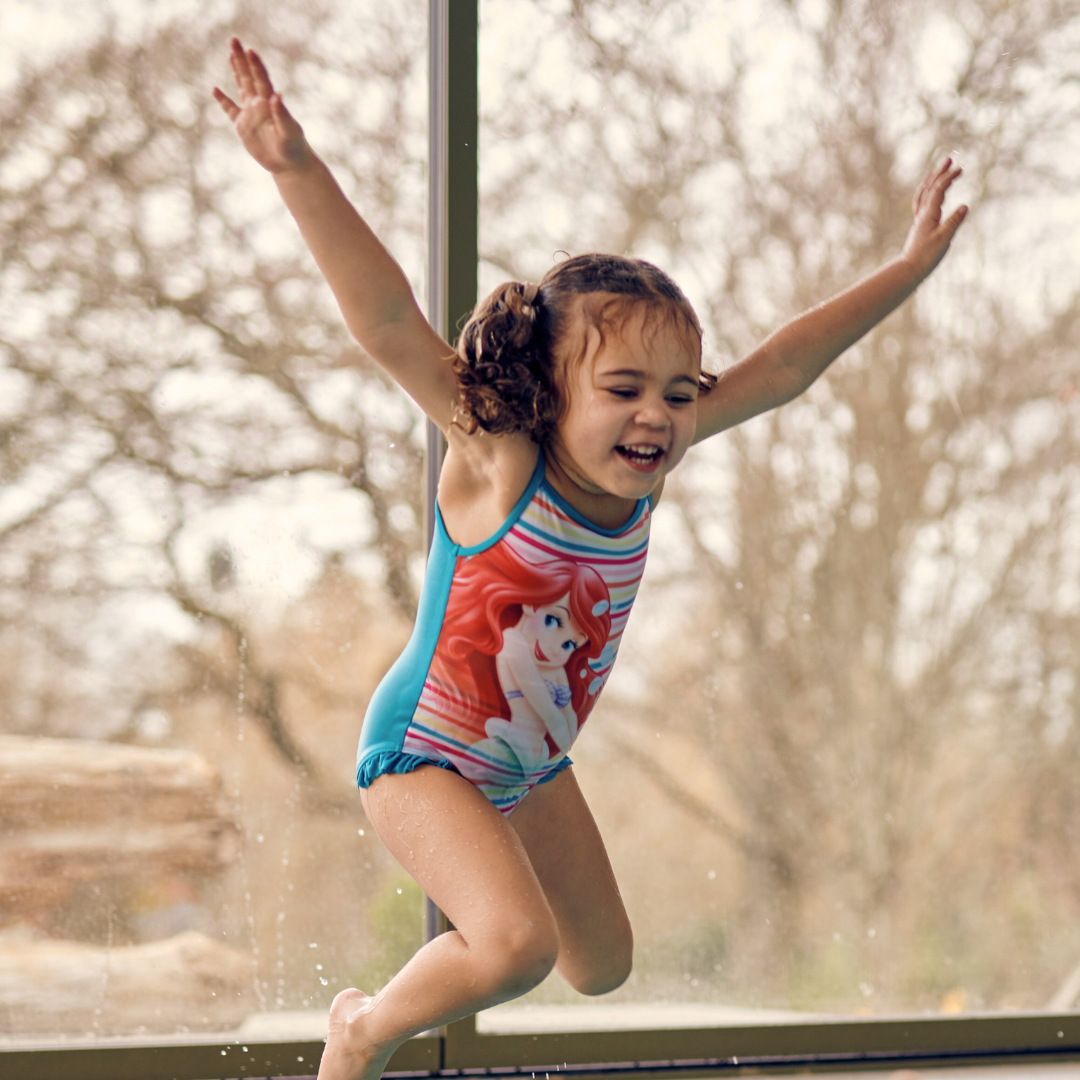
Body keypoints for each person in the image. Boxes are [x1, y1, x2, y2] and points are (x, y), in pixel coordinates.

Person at [213, 36, 967, 1080]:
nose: (657, 414)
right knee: (515, 947)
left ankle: (450, 963)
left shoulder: (662, 453)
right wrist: (295, 167)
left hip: (529, 763)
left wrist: (908, 268)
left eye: (679, 389)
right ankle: (363, 1028)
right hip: (424, 753)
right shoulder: (499, 456)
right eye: (623, 388)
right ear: (554, 393)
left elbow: (788, 363)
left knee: (599, 966)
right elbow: (387, 320)